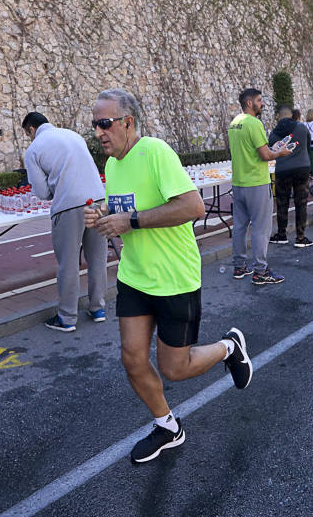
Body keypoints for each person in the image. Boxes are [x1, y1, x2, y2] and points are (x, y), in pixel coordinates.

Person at [84, 89, 253, 464]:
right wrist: (103, 213)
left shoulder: (155, 152)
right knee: (132, 358)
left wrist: (128, 220)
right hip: (134, 276)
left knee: (175, 369)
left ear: (127, 122)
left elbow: (192, 206)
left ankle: (230, 348)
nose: (98, 133)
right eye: (95, 125)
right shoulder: (112, 166)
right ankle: (167, 427)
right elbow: (125, 208)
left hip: (174, 279)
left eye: (104, 123)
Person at [21, 111, 109, 332]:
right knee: (97, 258)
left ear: (31, 129)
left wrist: (54, 189)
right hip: (98, 199)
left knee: (68, 264)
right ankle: (98, 308)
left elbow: (41, 192)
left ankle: (67, 318)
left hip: (69, 205)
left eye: (27, 133)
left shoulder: (34, 149)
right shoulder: (73, 134)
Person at [228, 88, 292, 284]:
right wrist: (279, 153)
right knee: (260, 229)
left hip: (239, 183)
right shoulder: (254, 124)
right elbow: (265, 156)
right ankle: (261, 271)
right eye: (259, 100)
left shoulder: (234, 123)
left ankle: (239, 267)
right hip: (257, 183)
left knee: (239, 226)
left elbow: (254, 151)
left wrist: (273, 150)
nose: (262, 103)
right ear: (250, 103)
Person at [268, 105, 313, 248]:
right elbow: (308, 146)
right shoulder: (302, 128)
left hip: (282, 170)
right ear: (291, 115)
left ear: (278, 115)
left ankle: (281, 235)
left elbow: (272, 150)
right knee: (301, 202)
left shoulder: (274, 133)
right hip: (302, 168)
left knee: (282, 202)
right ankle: (300, 237)